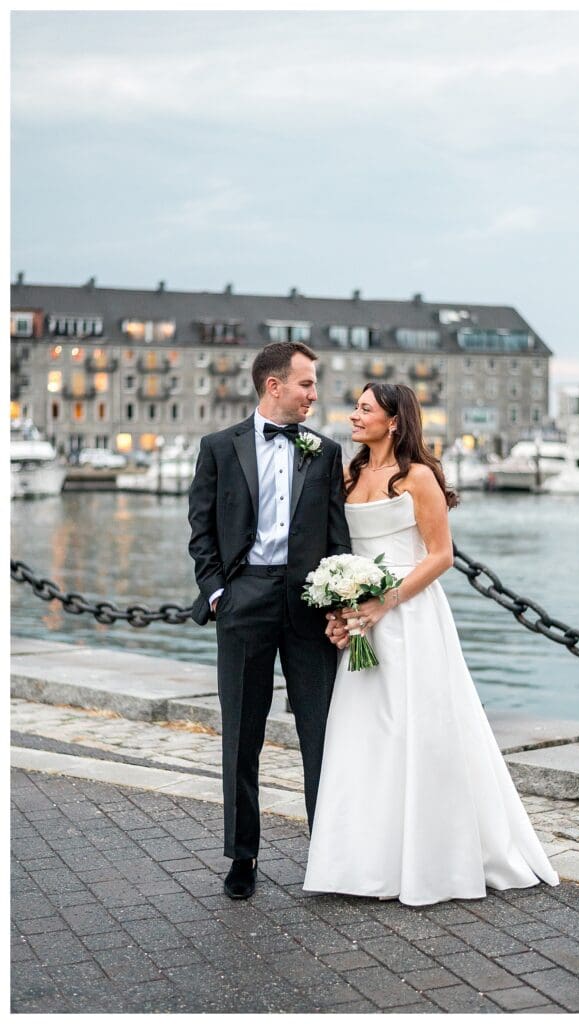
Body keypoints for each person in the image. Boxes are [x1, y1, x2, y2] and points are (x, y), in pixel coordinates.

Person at [304, 382, 559, 905]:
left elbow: (440, 555)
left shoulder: (419, 477)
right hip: (362, 616)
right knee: (365, 733)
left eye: (365, 408)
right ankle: (362, 861)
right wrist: (344, 606)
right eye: (356, 407)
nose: (354, 415)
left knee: (419, 729)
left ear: (394, 421)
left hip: (410, 615)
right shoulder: (348, 475)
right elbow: (341, 549)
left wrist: (385, 601)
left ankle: (432, 857)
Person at [188, 342, 351, 900]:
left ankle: (328, 853)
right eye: (306, 383)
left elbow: (336, 535)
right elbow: (201, 530)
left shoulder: (325, 452)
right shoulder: (218, 447)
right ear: (273, 386)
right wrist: (217, 593)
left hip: (308, 602)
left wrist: (338, 601)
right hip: (244, 597)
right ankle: (242, 856)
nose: (314, 393)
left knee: (321, 732)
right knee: (242, 733)